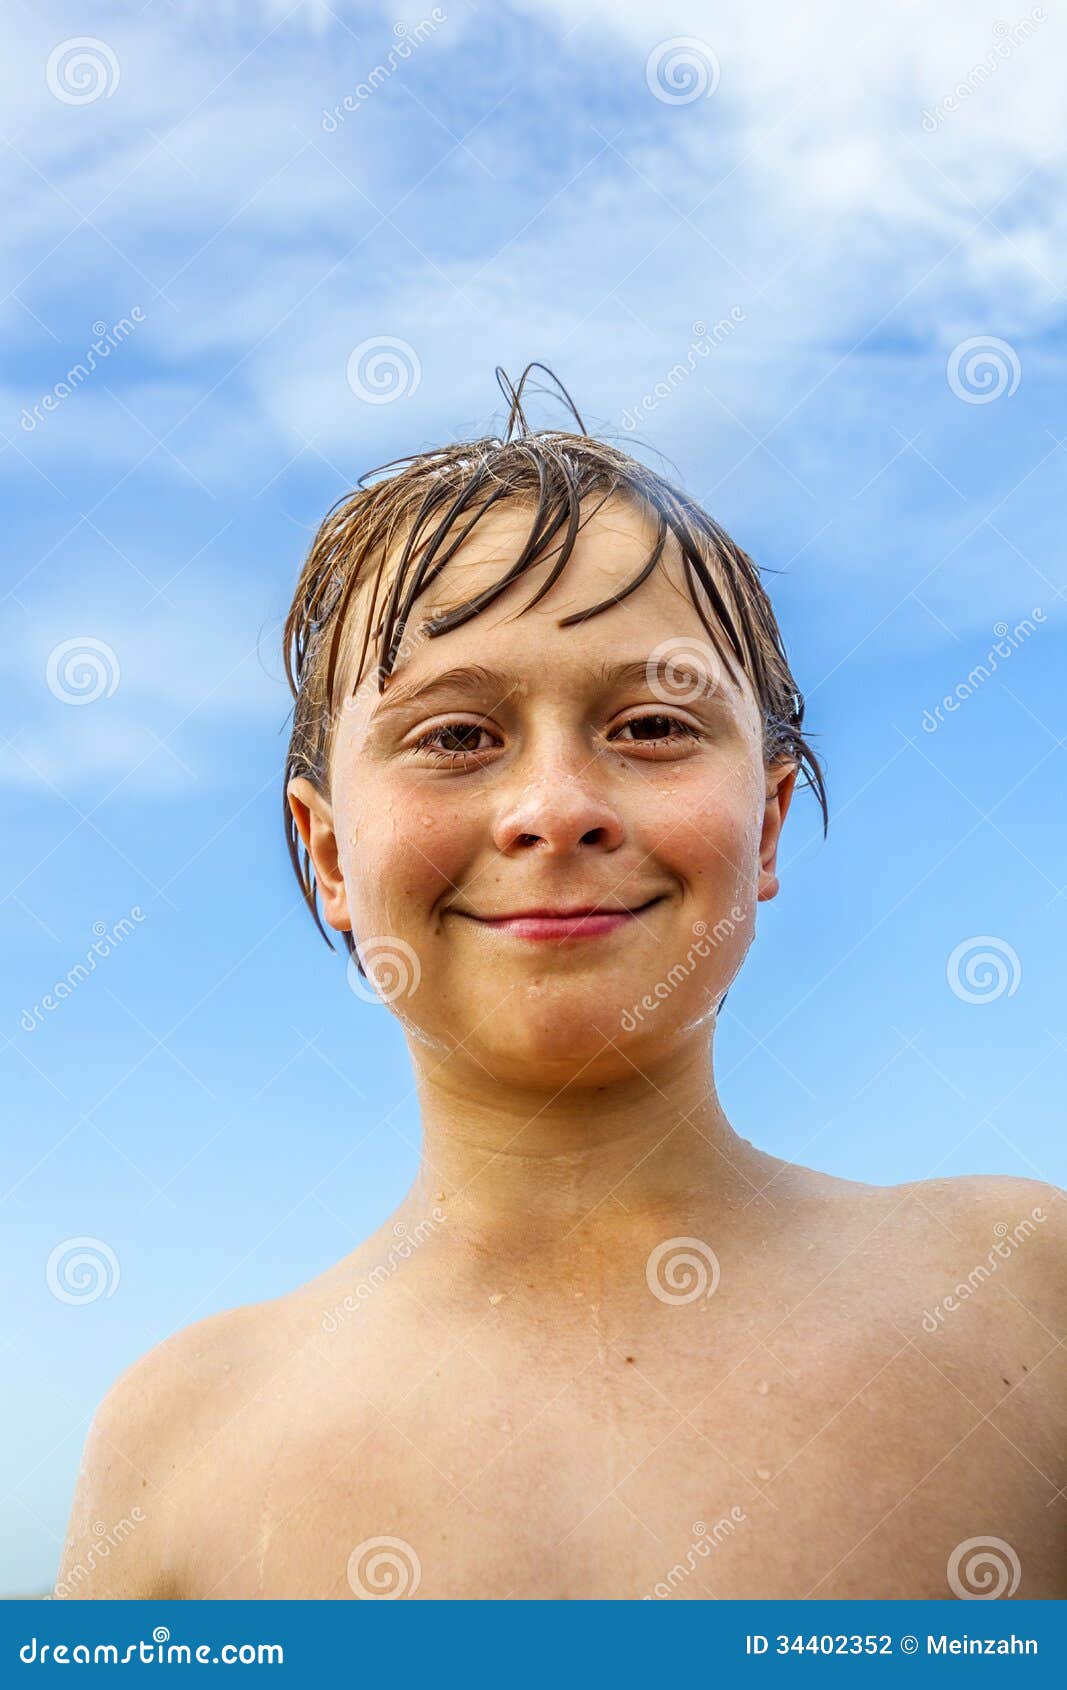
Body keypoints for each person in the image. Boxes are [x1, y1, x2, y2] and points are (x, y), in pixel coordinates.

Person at [57, 366, 1065, 1601]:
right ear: (328, 854)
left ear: (761, 828)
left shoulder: (1022, 1294)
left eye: (649, 725)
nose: (554, 809)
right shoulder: (177, 1445)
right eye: (456, 737)